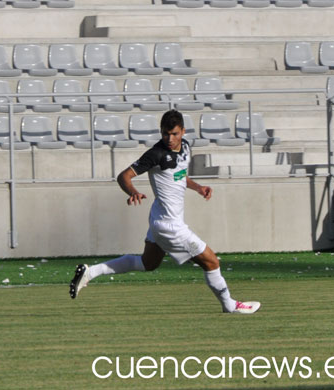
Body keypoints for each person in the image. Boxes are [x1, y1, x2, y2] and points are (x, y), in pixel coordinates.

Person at [69, 109, 260, 314]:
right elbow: (123, 176)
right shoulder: (156, 154)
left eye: (174, 134)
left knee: (147, 263)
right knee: (211, 261)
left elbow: (178, 176)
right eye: (165, 134)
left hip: (159, 218)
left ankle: (90, 273)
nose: (170, 138)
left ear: (183, 132)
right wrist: (132, 191)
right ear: (161, 132)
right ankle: (229, 305)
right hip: (170, 226)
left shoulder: (185, 148)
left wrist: (198, 187)